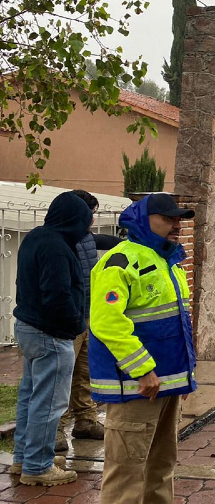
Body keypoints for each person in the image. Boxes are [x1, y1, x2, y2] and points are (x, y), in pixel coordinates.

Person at [90, 193, 202, 504]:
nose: (177, 225)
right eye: (168, 218)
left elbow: (176, 326)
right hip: (136, 388)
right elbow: (107, 322)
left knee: (161, 463)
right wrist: (143, 369)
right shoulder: (120, 261)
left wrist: (184, 378)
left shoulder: (168, 261)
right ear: (143, 219)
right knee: (125, 473)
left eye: (179, 219)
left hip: (165, 386)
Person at [10, 191, 92, 486]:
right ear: (75, 219)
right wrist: (74, 323)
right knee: (49, 402)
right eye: (86, 220)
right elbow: (57, 294)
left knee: (30, 396)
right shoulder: (57, 247)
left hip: (28, 327)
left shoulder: (36, 237)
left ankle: (24, 458)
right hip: (50, 334)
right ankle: (38, 466)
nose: (88, 227)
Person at [54, 189, 122, 451]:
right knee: (62, 376)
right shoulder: (62, 240)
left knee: (85, 373)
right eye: (90, 214)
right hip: (67, 321)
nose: (92, 220)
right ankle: (56, 429)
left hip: (87, 317)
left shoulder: (84, 238)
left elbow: (104, 240)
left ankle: (85, 421)